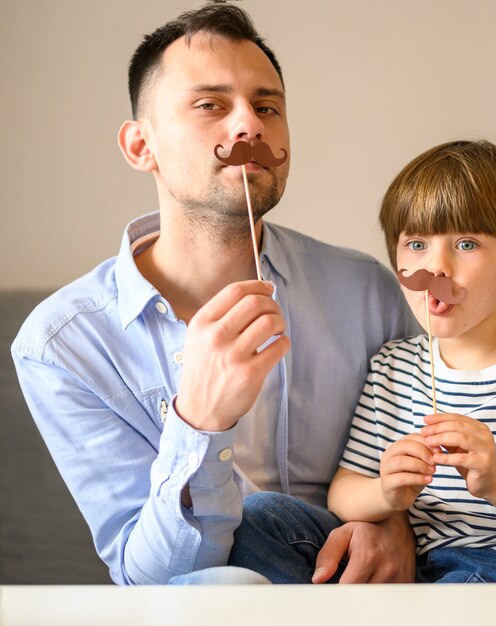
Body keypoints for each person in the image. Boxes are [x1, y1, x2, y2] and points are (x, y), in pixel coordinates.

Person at [11, 2, 418, 585]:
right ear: (139, 146)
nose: (248, 125)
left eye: (267, 106)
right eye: (210, 105)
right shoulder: (63, 344)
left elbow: (433, 485)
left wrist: (396, 527)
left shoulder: (368, 293)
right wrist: (199, 421)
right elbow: (144, 579)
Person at [229, 140, 496, 583]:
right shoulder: (392, 369)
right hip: (415, 569)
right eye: (416, 243)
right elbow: (344, 493)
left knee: (469, 585)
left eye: (467, 243)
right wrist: (386, 492)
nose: (436, 267)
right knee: (260, 518)